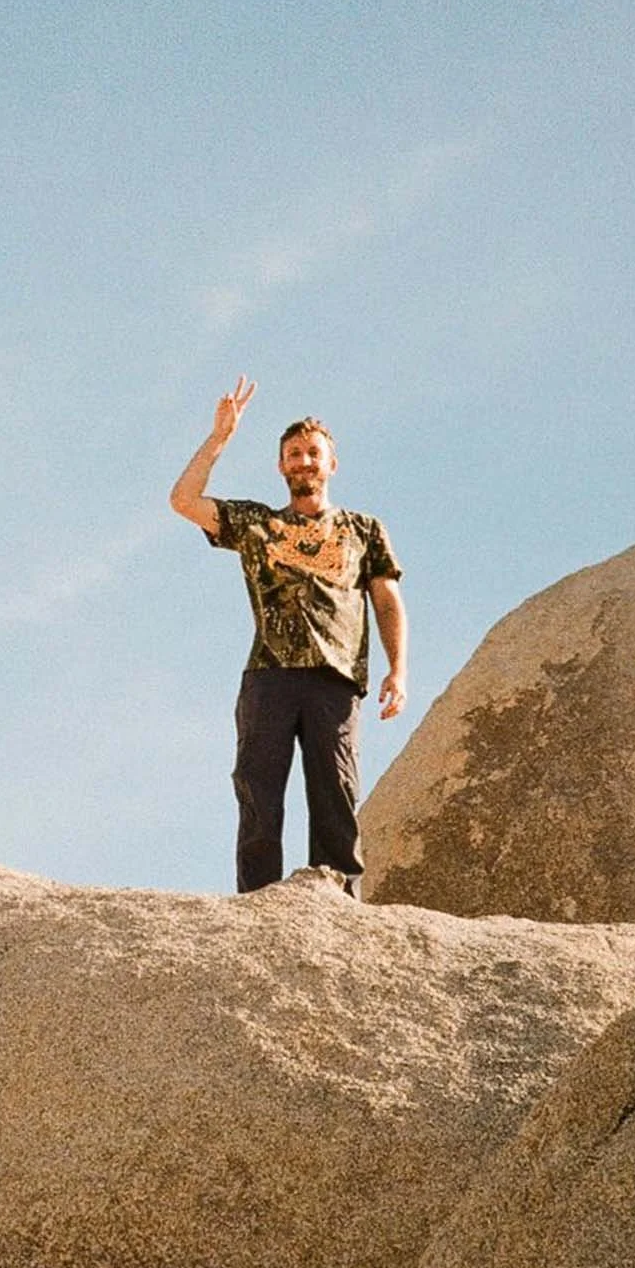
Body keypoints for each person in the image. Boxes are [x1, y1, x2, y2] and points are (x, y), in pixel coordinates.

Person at [169, 378, 406, 894]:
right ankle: (257, 901)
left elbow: (386, 598)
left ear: (331, 464)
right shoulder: (257, 524)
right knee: (258, 793)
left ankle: (339, 899)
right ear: (281, 466)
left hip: (335, 677)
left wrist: (398, 669)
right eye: (294, 454)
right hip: (269, 676)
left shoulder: (363, 530)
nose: (304, 462)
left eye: (313, 453)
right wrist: (219, 439)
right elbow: (184, 500)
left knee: (336, 794)